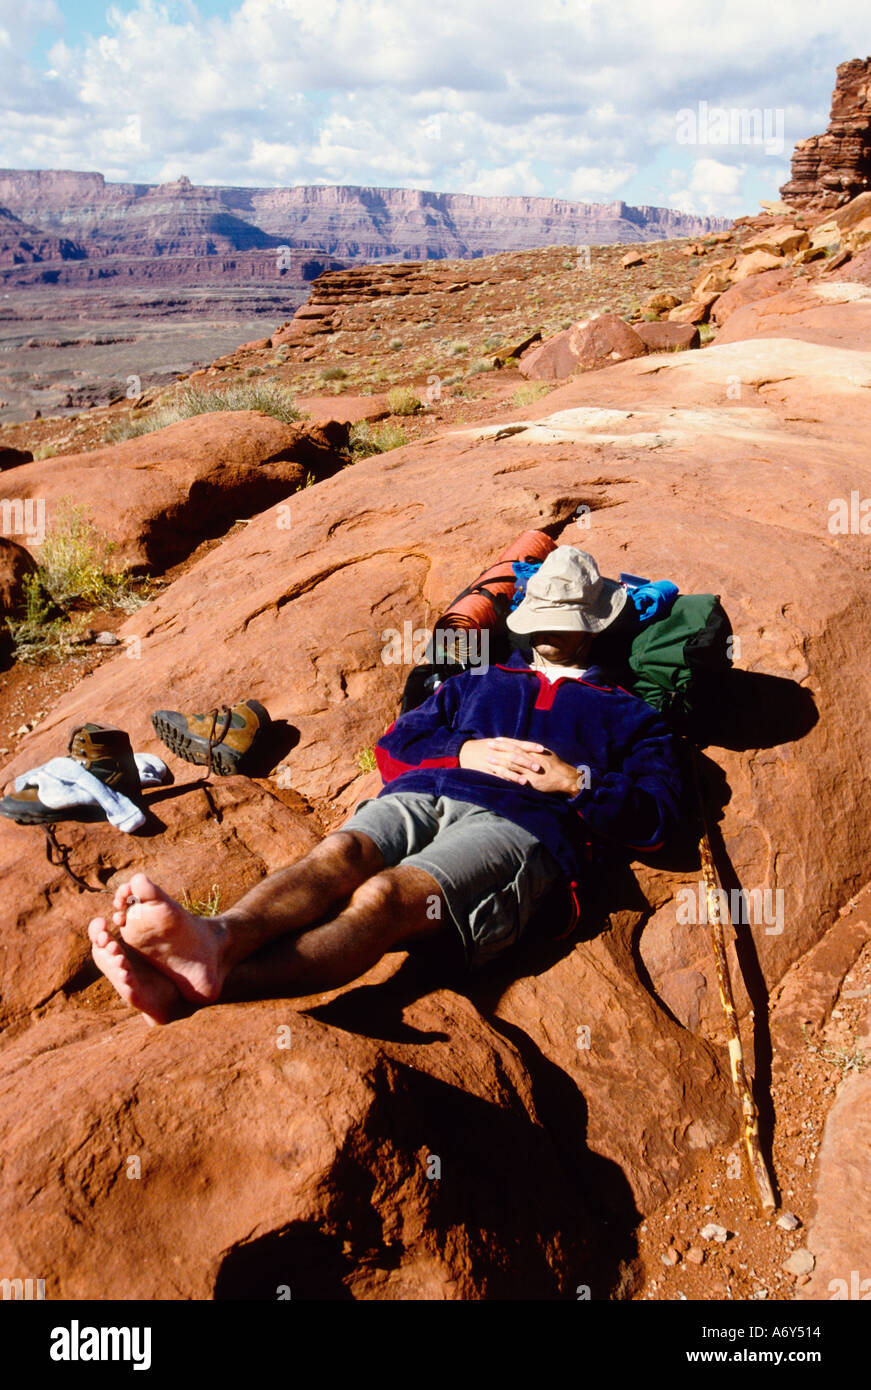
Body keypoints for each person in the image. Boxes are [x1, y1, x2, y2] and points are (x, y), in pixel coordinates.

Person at [89, 547, 683, 1025]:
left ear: (593, 629)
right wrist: (465, 749)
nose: (548, 636)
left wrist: (576, 782)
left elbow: (660, 820)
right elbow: (394, 746)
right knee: (340, 853)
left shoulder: (628, 714)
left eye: (563, 626)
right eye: (541, 623)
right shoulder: (480, 680)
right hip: (427, 792)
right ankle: (215, 940)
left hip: (524, 828)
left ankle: (206, 986)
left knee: (384, 897)